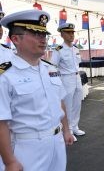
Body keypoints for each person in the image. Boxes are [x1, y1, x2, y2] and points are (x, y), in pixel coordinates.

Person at [0, 9, 73, 171]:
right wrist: (9, 161)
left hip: (57, 142)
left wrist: (66, 130)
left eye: (44, 35)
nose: (43, 39)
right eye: (35, 34)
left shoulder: (50, 69)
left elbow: (59, 102)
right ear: (15, 39)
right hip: (28, 148)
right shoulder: (5, 76)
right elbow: (1, 122)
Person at [51, 23, 85, 142]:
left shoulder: (75, 48)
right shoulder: (58, 50)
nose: (71, 35)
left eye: (72, 32)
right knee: (68, 105)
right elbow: (53, 67)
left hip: (77, 77)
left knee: (77, 103)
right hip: (66, 79)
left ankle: (75, 126)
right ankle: (68, 129)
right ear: (62, 34)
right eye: (68, 33)